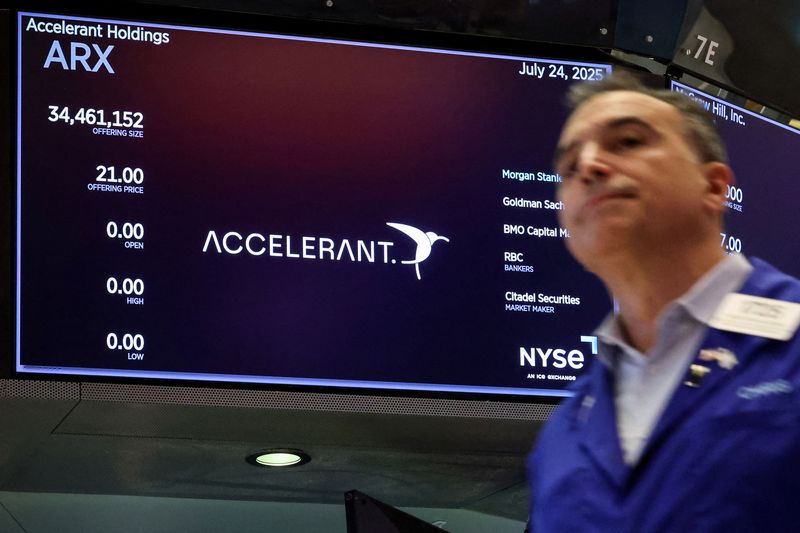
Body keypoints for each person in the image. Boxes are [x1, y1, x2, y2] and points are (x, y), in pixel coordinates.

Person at [527, 73, 800, 532]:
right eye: (569, 168)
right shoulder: (561, 437)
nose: (590, 166)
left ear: (714, 187)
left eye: (628, 141)